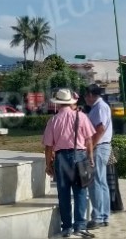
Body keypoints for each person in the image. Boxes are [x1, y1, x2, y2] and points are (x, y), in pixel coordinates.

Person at [43, 88, 96, 238]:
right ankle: (80, 226)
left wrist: (48, 165)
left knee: (63, 193)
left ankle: (66, 227)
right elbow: (89, 140)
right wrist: (90, 157)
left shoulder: (53, 120)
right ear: (71, 102)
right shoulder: (82, 117)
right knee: (80, 192)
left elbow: (48, 146)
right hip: (79, 156)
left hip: (61, 158)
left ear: (58, 104)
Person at [84, 84, 112, 229]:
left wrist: (90, 148)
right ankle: (104, 215)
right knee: (102, 182)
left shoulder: (99, 107)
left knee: (95, 183)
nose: (85, 98)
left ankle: (98, 217)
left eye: (86, 95)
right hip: (102, 147)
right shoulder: (99, 107)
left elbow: (100, 129)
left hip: (99, 148)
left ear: (90, 95)